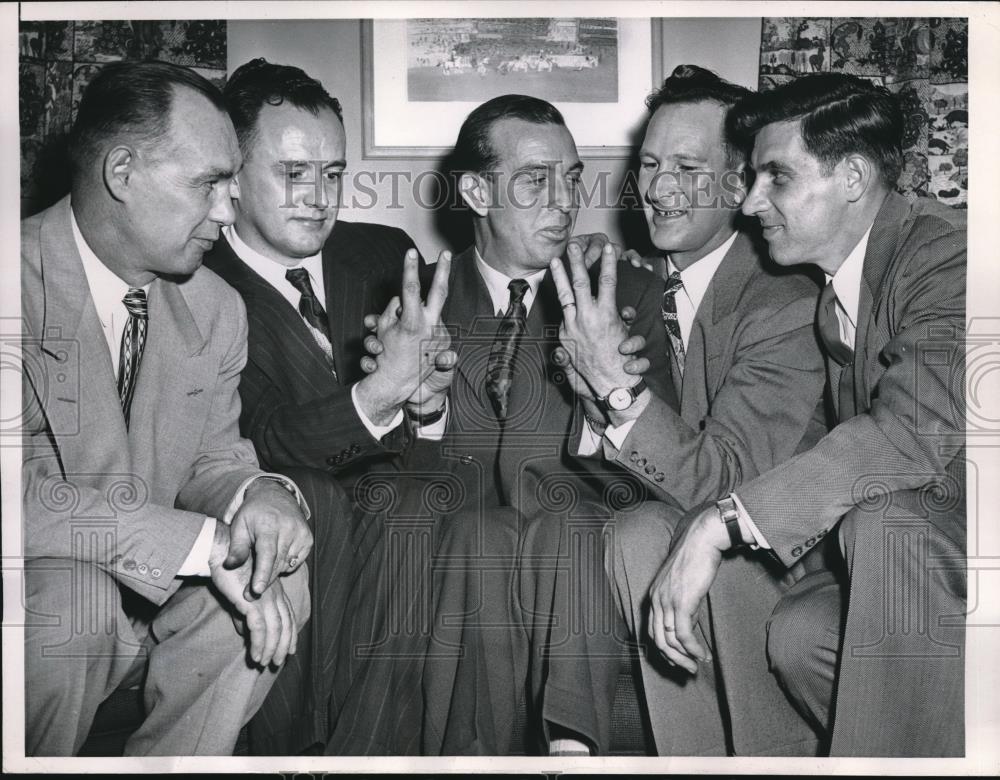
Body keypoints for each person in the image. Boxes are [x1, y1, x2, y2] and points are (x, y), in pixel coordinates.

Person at [203, 62, 614, 755]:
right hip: (307, 515)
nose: (318, 197)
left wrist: (424, 406)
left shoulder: (381, 252)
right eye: (293, 173)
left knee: (438, 516)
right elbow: (250, 440)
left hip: (413, 507)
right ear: (231, 178)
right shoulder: (201, 285)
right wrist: (379, 396)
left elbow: (431, 430)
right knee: (407, 516)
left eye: (334, 173)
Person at [650, 72, 966, 756]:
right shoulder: (834, 295)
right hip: (922, 544)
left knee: (889, 524)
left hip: (954, 540)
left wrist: (722, 522)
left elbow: (912, 433)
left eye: (777, 178)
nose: (751, 201)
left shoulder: (949, 255)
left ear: (851, 176)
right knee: (799, 635)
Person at [359, 94, 675, 755]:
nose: (564, 202)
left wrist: (604, 407)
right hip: (464, 545)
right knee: (479, 535)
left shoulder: (626, 295)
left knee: (557, 525)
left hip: (574, 541)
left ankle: (571, 747)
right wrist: (423, 410)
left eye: (573, 178)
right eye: (536, 180)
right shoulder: (417, 304)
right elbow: (389, 488)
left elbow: (661, 480)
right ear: (476, 190)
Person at [20, 60, 312, 756]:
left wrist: (259, 494)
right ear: (122, 172)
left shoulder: (214, 307)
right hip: (43, 598)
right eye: (208, 184)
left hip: (140, 599)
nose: (227, 210)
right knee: (75, 604)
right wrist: (202, 545)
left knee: (276, 577)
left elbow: (212, 457)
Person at [545, 64, 828, 756]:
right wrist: (592, 388)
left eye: (686, 167)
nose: (659, 189)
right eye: (647, 165)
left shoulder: (782, 300)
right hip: (688, 519)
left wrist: (616, 392)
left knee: (656, 535)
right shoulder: (639, 280)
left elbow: (729, 484)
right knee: (632, 529)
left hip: (787, 548)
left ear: (740, 186)